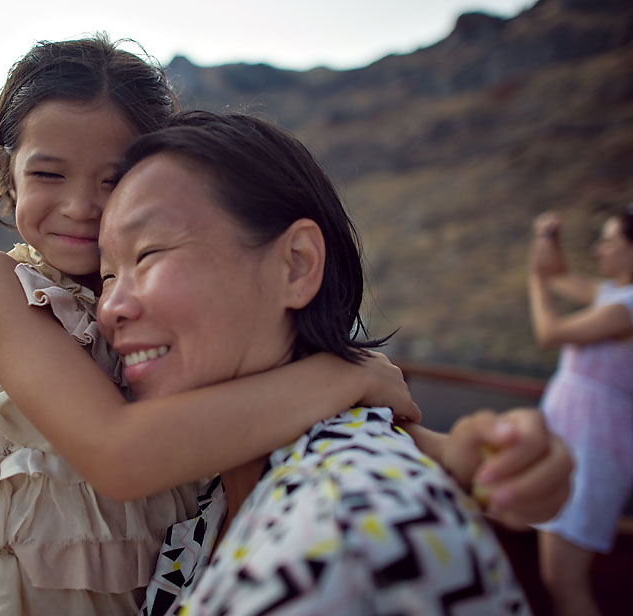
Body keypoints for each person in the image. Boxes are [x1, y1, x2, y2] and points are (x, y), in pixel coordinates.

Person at [0, 35, 435, 616]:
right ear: (9, 172)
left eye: (111, 181)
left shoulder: (161, 317)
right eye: (49, 174)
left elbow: (261, 400)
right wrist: (342, 377)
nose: (80, 205)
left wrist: (460, 453)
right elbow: (117, 454)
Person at [95, 111, 570, 614]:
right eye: (105, 275)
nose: (109, 309)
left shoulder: (346, 541)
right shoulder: (215, 485)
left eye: (148, 254)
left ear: (296, 264)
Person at [528, 208, 633, 616]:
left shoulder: (626, 308)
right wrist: (547, 238)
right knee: (557, 578)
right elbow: (559, 273)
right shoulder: (611, 294)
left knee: (564, 581)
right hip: (576, 434)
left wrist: (535, 278)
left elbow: (548, 332)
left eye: (610, 241)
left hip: (594, 444)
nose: (599, 249)